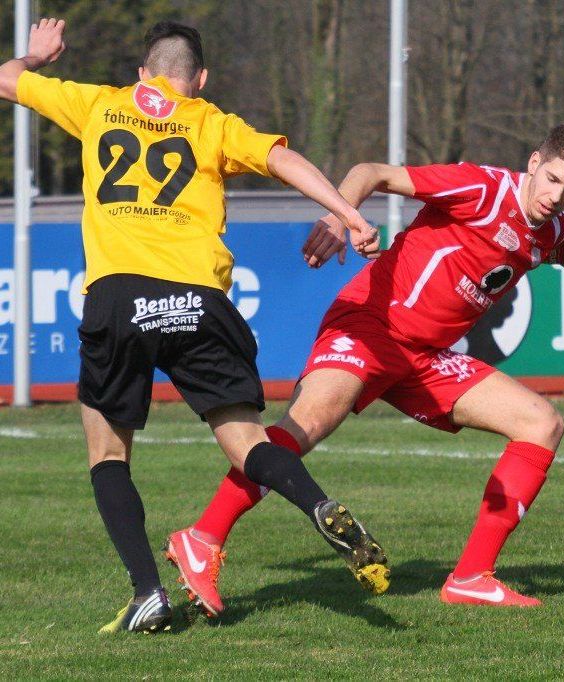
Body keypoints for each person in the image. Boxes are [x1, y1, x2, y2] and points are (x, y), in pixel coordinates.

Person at [168, 122, 564, 611]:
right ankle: (203, 537)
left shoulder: (550, 233)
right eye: (552, 180)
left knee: (541, 424)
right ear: (534, 162)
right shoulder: (481, 187)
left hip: (423, 359)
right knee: (309, 423)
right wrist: (340, 217)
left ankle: (471, 577)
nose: (556, 197)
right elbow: (373, 171)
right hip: (369, 326)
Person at [0, 18, 390, 633]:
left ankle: (148, 592)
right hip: (199, 301)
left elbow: (6, 80)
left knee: (107, 453)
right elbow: (282, 158)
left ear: (141, 74)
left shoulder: (98, 104)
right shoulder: (213, 122)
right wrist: (347, 214)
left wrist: (36, 55)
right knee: (247, 442)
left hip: (120, 295)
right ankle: (317, 504)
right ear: (200, 79)